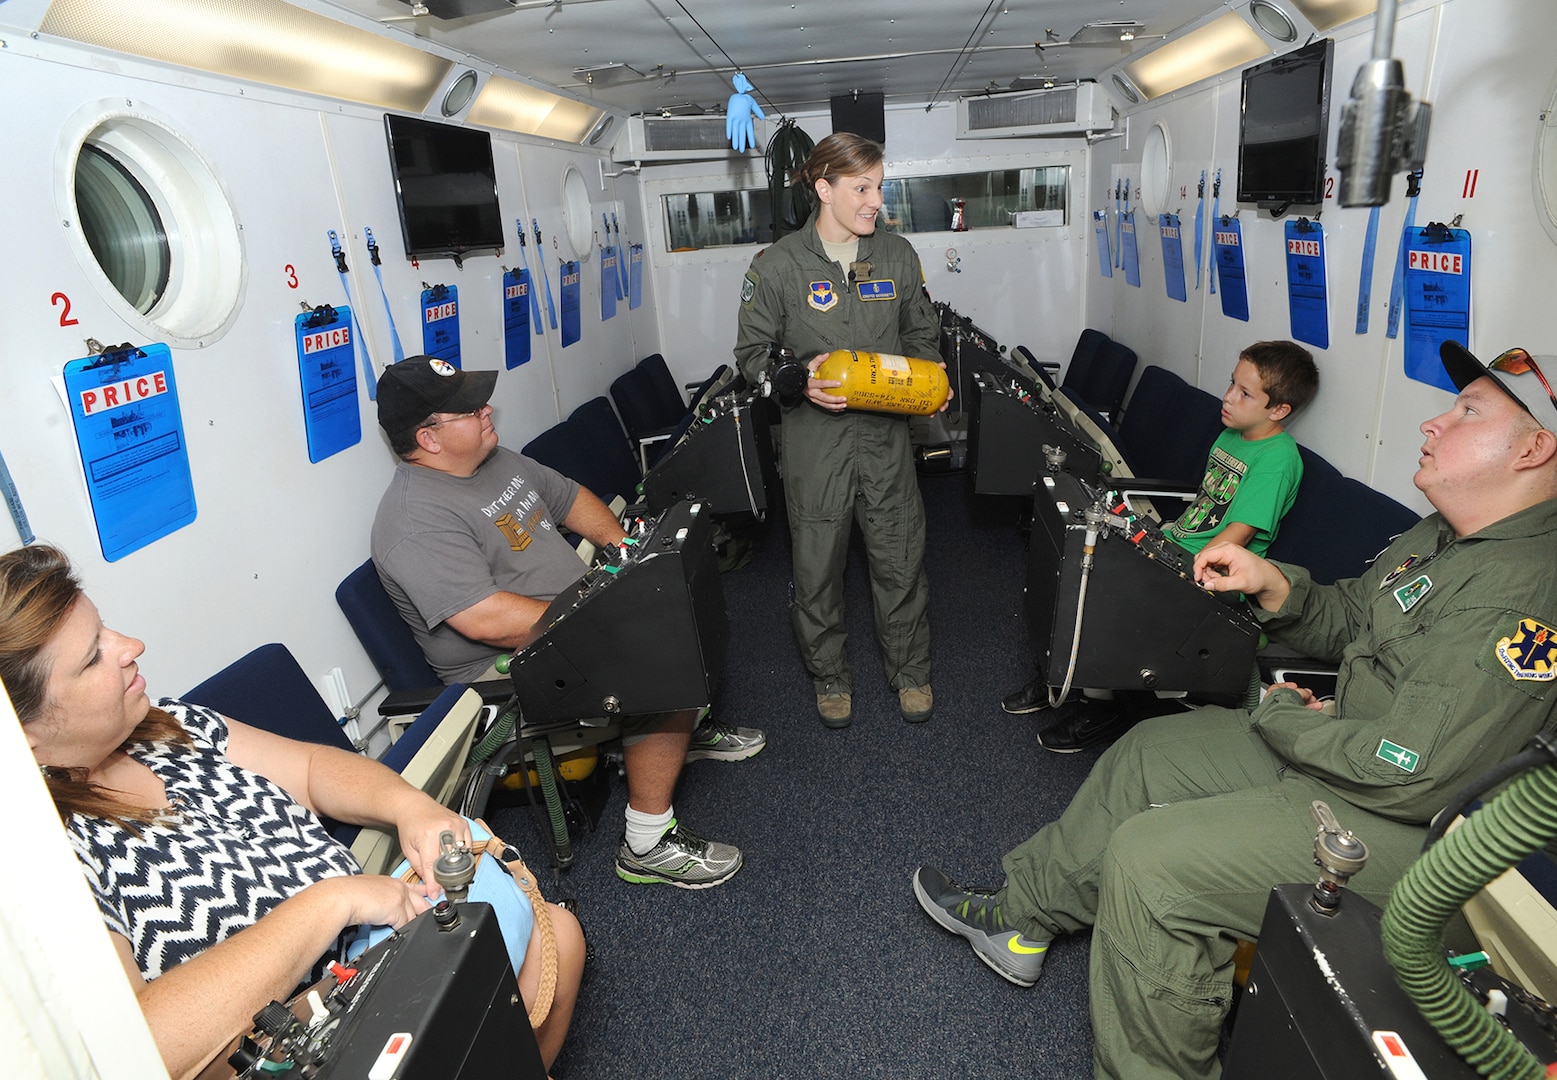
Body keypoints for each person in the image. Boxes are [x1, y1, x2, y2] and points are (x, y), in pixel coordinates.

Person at [913, 341, 1557, 1080]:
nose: (1435, 421)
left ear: (1533, 449)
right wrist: (1274, 585)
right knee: (1150, 753)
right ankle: (1024, 918)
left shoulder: (1528, 594)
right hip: (1351, 746)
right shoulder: (1453, 528)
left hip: (1433, 839)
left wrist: (1282, 717)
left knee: (1154, 868)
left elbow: (1412, 775)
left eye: (1467, 411)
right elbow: (1355, 618)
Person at [2, 543, 585, 1079]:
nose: (131, 647)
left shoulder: (169, 726)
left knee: (561, 934)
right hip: (290, 1038)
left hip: (369, 946)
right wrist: (333, 902)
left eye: (106, 628)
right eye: (92, 658)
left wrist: (410, 808)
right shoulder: (46, 863)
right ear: (22, 733)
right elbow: (142, 1045)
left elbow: (311, 770)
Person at [370, 355, 759, 889]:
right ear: (429, 438)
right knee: (654, 643)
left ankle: (681, 730)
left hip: (567, 614)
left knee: (671, 585)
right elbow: (487, 620)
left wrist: (624, 551)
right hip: (503, 667)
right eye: (467, 409)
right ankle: (646, 841)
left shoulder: (495, 460)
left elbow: (571, 498)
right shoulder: (414, 521)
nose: (486, 410)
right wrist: (605, 617)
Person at [1003, 341, 1320, 753]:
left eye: (1245, 393)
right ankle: (1059, 676)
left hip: (1213, 574)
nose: (1228, 397)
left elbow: (1237, 536)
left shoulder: (1277, 459)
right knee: (1081, 560)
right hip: (1176, 544)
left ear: (1278, 410)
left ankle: (1102, 707)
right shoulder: (1231, 435)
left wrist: (1177, 570)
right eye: (1231, 384)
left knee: (1108, 590)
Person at [734, 131, 946, 728]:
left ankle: (910, 672)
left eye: (879, 185)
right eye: (862, 187)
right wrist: (794, 380)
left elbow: (921, 335)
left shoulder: (898, 256)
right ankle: (830, 677)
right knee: (817, 569)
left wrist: (925, 379)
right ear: (823, 188)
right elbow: (751, 355)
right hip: (814, 445)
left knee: (900, 559)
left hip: (885, 441)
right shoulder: (776, 266)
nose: (876, 199)